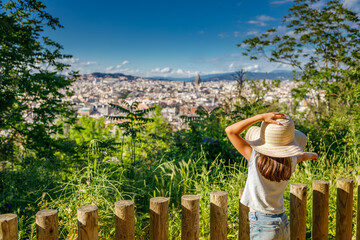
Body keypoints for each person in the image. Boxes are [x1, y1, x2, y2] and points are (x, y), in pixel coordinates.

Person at [225, 112, 318, 240]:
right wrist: (311, 155)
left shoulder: (255, 158)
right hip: (282, 223)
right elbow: (300, 157)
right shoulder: (290, 162)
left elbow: (230, 131)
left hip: (262, 225)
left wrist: (260, 117)